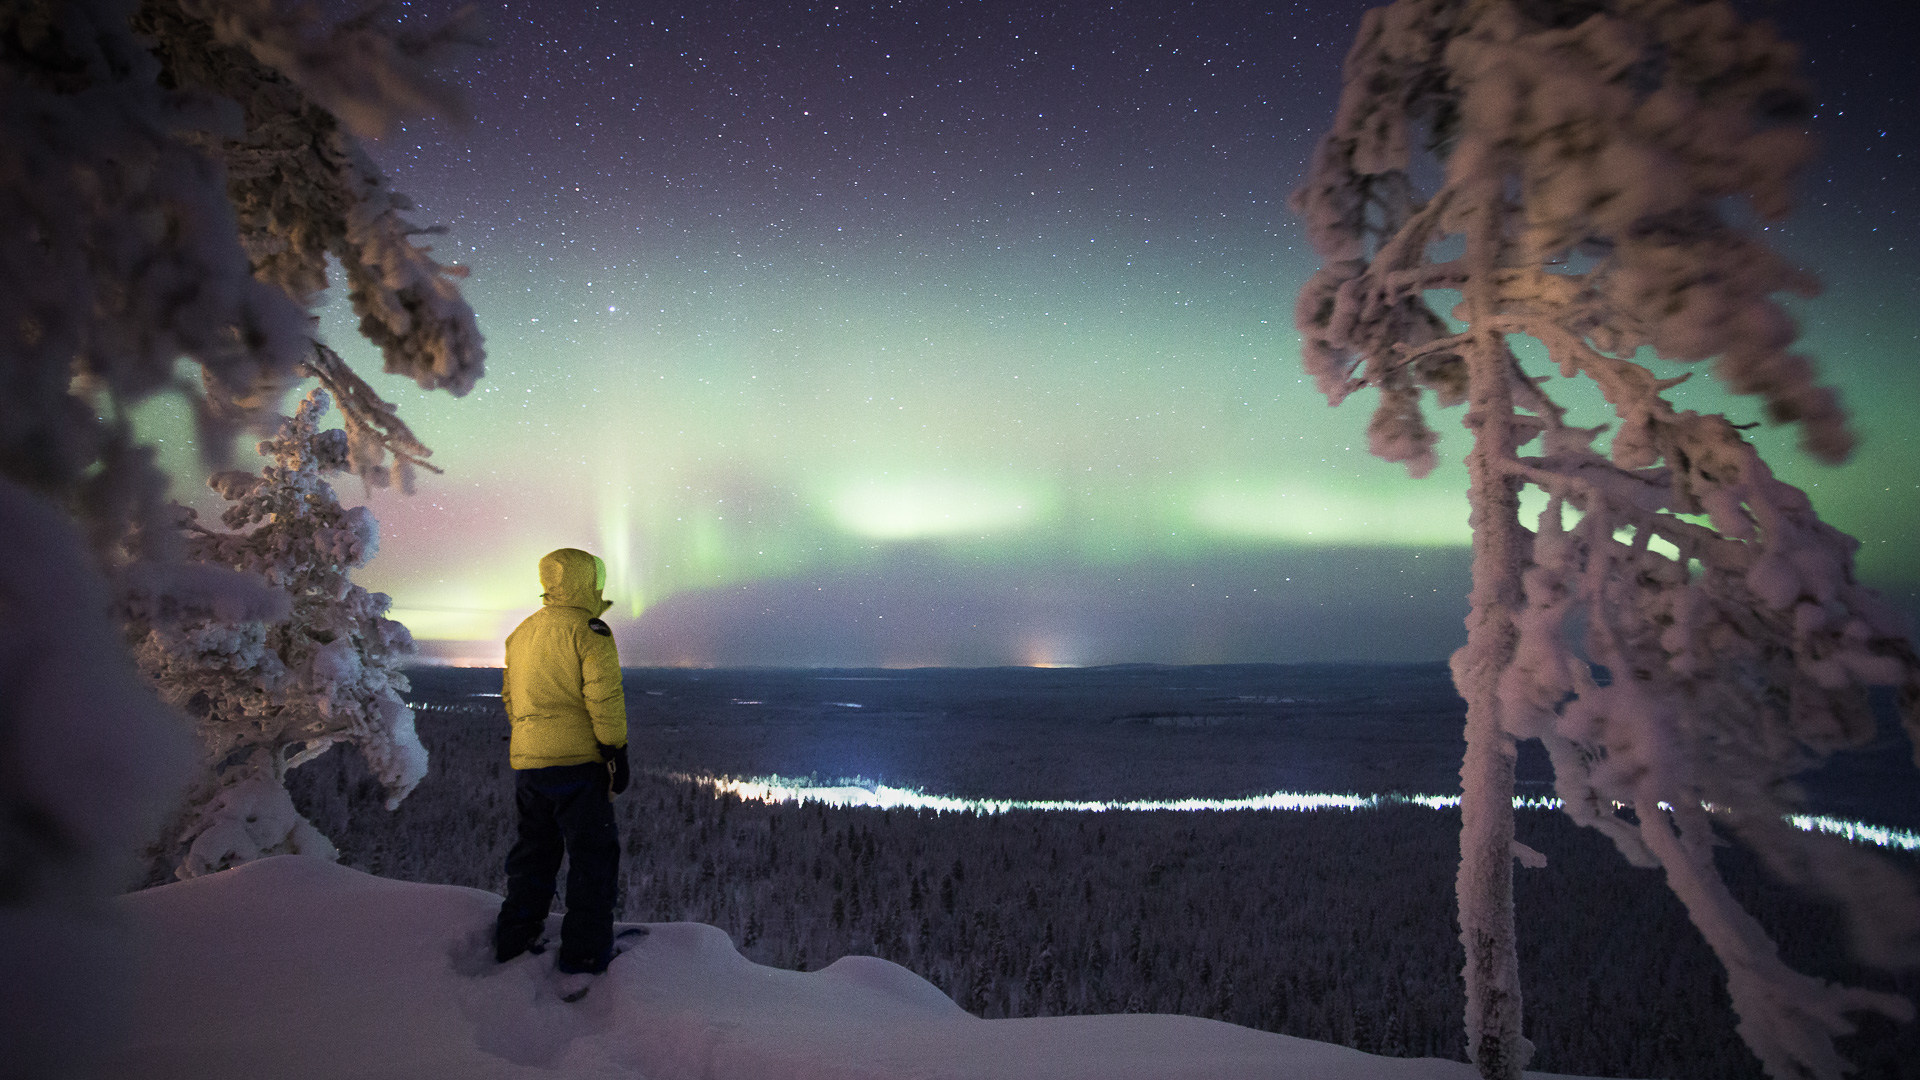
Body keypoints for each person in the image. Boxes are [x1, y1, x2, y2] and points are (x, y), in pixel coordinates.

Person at [494, 547, 631, 980]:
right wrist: (615, 749)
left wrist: (532, 740)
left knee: (534, 851)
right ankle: (585, 955)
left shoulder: (521, 633)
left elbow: (511, 699)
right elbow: (603, 697)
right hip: (577, 765)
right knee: (593, 857)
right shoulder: (590, 631)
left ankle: (515, 936)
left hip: (529, 763)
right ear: (587, 581)